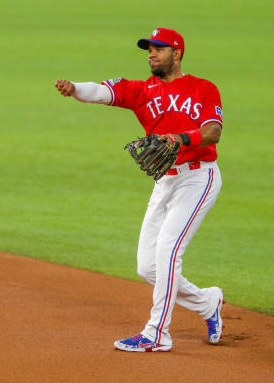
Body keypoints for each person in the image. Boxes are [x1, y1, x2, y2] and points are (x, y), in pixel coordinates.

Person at [54, 27, 224, 352]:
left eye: (159, 49)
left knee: (168, 250)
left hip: (198, 178)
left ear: (177, 53)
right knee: (147, 267)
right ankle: (207, 303)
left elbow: (213, 132)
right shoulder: (143, 91)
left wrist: (180, 138)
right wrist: (75, 88)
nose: (151, 54)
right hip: (166, 180)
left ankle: (156, 334)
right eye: (149, 49)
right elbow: (102, 91)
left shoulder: (203, 88)